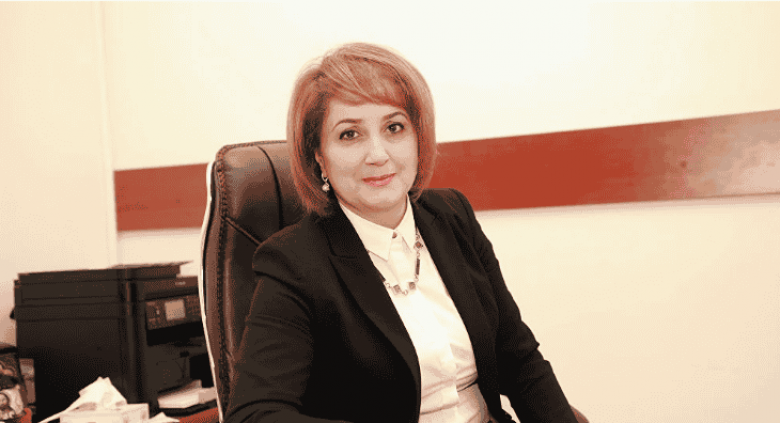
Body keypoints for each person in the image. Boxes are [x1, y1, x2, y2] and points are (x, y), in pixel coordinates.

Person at [225, 42, 579, 423]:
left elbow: (519, 358)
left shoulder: (452, 216)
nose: (378, 155)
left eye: (394, 128)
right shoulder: (292, 263)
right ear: (319, 157)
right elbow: (254, 415)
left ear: (417, 138)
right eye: (350, 134)